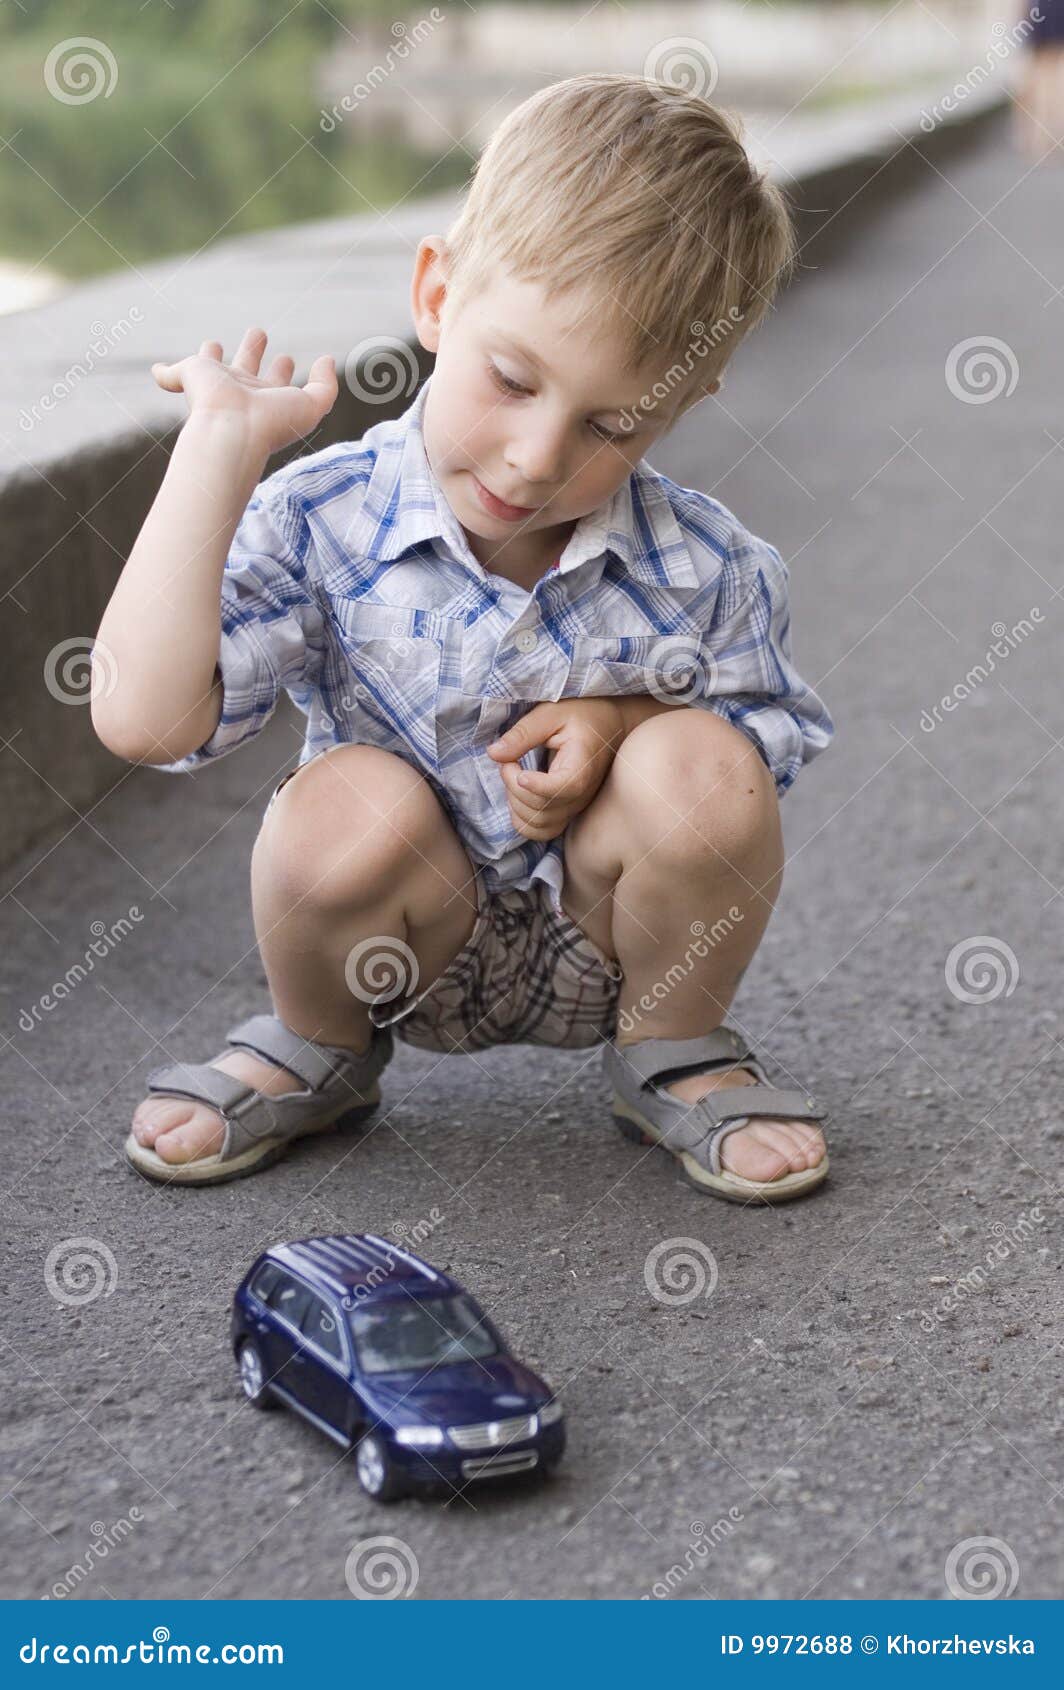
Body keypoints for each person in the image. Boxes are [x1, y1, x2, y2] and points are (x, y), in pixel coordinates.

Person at [92, 73, 835, 1203]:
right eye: (511, 379)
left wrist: (620, 718)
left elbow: (767, 742)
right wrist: (215, 455)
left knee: (706, 767)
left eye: (610, 424)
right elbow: (147, 718)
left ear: (685, 401)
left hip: (610, 941)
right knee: (339, 804)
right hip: (397, 937)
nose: (538, 458)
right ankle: (319, 1043)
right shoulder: (321, 514)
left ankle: (672, 1048)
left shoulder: (709, 566)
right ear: (435, 296)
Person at [1013, 0, 1064, 161]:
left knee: (1043, 80)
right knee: (1050, 80)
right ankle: (1045, 139)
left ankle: (1040, 140)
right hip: (1052, 12)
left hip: (1041, 12)